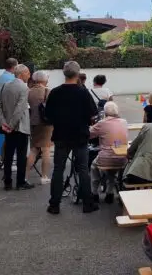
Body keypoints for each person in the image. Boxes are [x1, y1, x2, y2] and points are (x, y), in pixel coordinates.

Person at [45, 61, 99, 215]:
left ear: (64, 73)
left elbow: (48, 116)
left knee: (58, 169)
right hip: (80, 135)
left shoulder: (55, 92)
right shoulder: (83, 92)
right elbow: (92, 114)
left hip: (61, 135)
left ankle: (54, 204)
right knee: (83, 168)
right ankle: (87, 203)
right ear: (77, 74)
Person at [0, 64, 34, 191]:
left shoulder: (6, 85)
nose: (29, 75)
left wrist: (3, 123)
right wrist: (11, 125)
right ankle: (20, 182)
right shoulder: (24, 87)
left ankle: (7, 182)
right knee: (21, 156)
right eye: (28, 73)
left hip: (7, 127)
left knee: (8, 155)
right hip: (20, 127)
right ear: (22, 74)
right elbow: (20, 109)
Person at [89, 102, 128, 204]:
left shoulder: (102, 123)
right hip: (122, 158)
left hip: (105, 158)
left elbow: (89, 134)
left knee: (94, 167)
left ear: (105, 112)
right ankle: (109, 193)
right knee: (112, 171)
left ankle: (94, 193)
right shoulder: (124, 122)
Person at [25, 71, 52, 184]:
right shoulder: (48, 91)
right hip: (46, 124)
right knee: (46, 149)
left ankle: (25, 176)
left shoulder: (29, 91)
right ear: (44, 80)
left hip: (33, 122)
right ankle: (44, 176)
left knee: (34, 149)